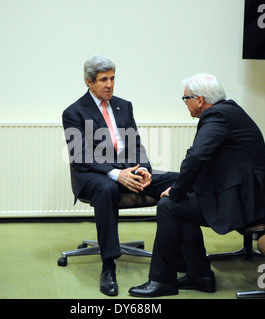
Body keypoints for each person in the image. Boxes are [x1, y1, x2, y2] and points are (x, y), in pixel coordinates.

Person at [129, 73, 265, 298]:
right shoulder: (228, 111)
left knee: (169, 206)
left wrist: (176, 191)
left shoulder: (217, 116)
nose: (185, 103)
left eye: (186, 98)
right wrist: (182, 188)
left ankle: (162, 280)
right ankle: (199, 275)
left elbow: (197, 156)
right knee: (180, 201)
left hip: (244, 203)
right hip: (245, 193)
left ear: (200, 100)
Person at [62, 55, 178, 296]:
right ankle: (108, 265)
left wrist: (143, 170)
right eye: (103, 80)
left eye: (113, 78)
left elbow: (136, 144)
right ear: (89, 82)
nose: (110, 85)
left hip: (129, 169)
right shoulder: (73, 112)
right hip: (94, 173)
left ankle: (183, 259)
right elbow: (81, 155)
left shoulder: (123, 105)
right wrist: (116, 174)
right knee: (108, 188)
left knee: (179, 179)